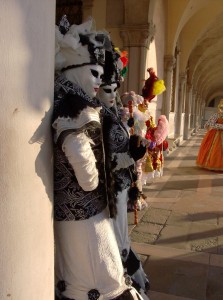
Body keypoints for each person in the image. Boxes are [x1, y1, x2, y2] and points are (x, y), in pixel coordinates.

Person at [52, 16, 143, 300]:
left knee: (96, 272)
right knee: (98, 275)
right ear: (75, 69)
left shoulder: (82, 105)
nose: (100, 82)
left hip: (90, 207)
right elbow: (87, 174)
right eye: (94, 73)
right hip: (83, 210)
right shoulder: (73, 107)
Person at [97, 48, 150, 300]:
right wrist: (131, 156)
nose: (112, 94)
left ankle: (127, 275)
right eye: (106, 88)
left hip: (121, 184)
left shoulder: (113, 113)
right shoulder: (94, 118)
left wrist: (133, 145)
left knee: (122, 233)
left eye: (114, 88)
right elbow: (101, 160)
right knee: (116, 235)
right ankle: (119, 281)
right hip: (107, 187)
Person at [196, 99, 223, 171]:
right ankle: (213, 164)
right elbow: (209, 124)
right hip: (216, 135)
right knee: (215, 150)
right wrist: (220, 126)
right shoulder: (216, 115)